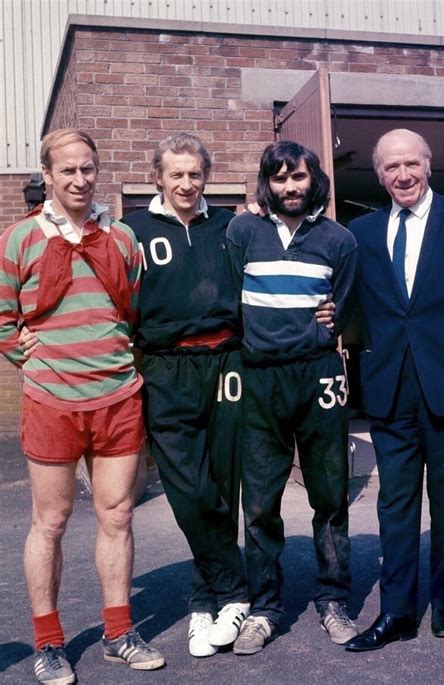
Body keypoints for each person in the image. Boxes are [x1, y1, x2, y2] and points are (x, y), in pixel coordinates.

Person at [0, 128, 165, 684]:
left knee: (117, 515)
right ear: (46, 174)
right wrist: (26, 356)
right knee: (50, 521)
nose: (78, 179)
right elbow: (2, 320)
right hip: (52, 400)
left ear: (98, 171)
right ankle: (48, 641)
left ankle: (119, 632)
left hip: (118, 397)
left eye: (87, 168)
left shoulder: (121, 238)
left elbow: (133, 313)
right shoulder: (18, 238)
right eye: (66, 170)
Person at [226, 140, 359, 655]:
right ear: (267, 182)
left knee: (330, 496)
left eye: (298, 177)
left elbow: (341, 311)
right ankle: (264, 608)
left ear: (313, 179)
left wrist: (330, 324)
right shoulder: (243, 230)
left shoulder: (339, 239)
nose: (290, 187)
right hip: (259, 379)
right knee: (260, 503)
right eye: (279, 178)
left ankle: (333, 600)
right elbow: (229, 302)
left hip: (318, 377)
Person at [344, 128, 444, 652]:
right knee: (394, 506)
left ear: (428, 165)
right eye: (391, 167)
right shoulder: (362, 232)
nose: (402, 175)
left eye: (411, 164)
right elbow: (347, 299)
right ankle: (397, 611)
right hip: (390, 389)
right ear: (379, 174)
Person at [123, 133, 250, 658]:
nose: (185, 183)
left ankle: (204, 602)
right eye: (175, 174)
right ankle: (236, 586)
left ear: (206, 176)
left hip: (225, 362)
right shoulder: (131, 230)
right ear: (157, 177)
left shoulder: (230, 226)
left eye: (194, 174)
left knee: (223, 481)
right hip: (165, 367)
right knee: (189, 489)